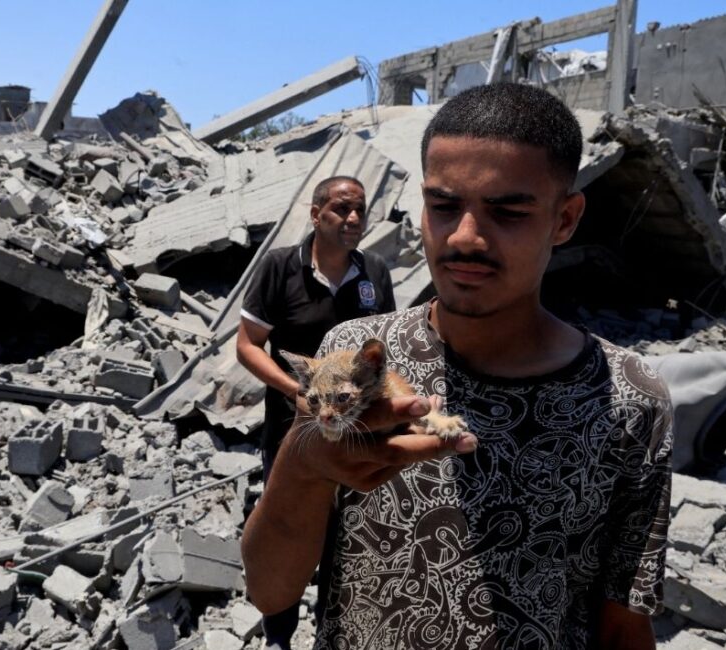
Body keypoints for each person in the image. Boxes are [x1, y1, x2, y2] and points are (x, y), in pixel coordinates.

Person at [241, 83, 673, 650]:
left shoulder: (630, 398)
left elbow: (625, 624)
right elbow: (270, 592)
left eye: (508, 211)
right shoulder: (354, 357)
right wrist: (304, 467)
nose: (465, 237)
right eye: (444, 207)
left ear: (564, 219)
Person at [236, 175, 396, 648]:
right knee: (288, 533)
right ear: (315, 214)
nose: (352, 219)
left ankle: (333, 633)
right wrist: (297, 392)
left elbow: (380, 356)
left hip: (357, 432)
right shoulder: (280, 268)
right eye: (341, 209)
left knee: (346, 539)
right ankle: (278, 636)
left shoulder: (376, 275)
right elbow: (248, 346)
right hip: (294, 434)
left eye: (360, 211)